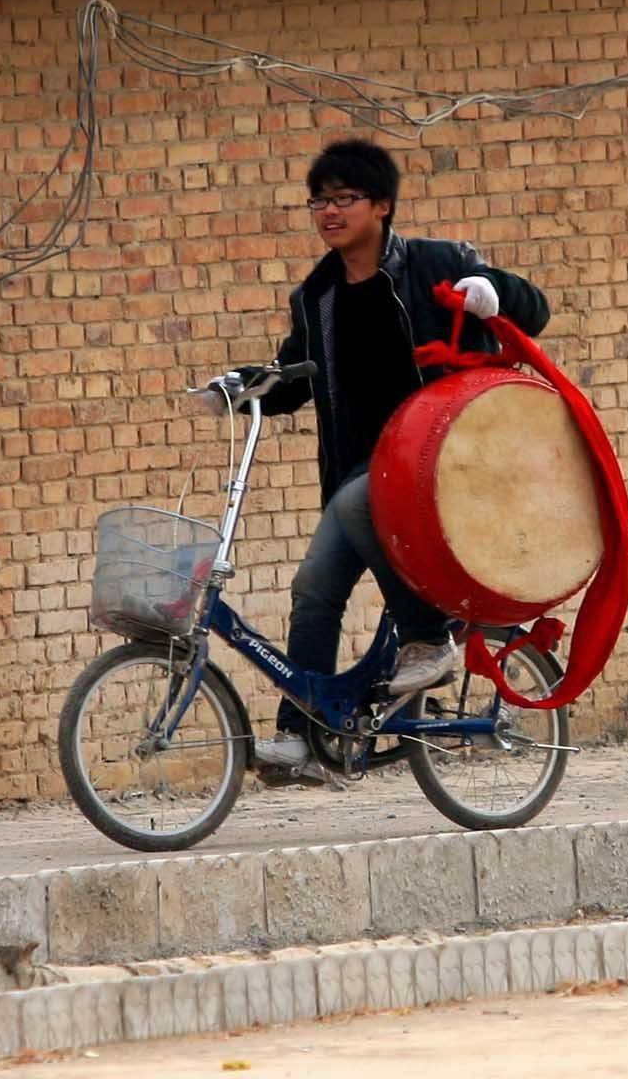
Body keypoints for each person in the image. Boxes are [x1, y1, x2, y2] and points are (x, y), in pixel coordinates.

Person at [233, 138, 550, 777]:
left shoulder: (437, 264)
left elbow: (534, 310)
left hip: (438, 463)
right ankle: (306, 736)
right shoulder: (317, 297)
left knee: (361, 501)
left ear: (381, 205)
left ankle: (427, 636)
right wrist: (244, 387)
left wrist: (492, 290)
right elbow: (296, 378)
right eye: (319, 201)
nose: (329, 212)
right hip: (359, 472)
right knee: (313, 590)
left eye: (344, 199)